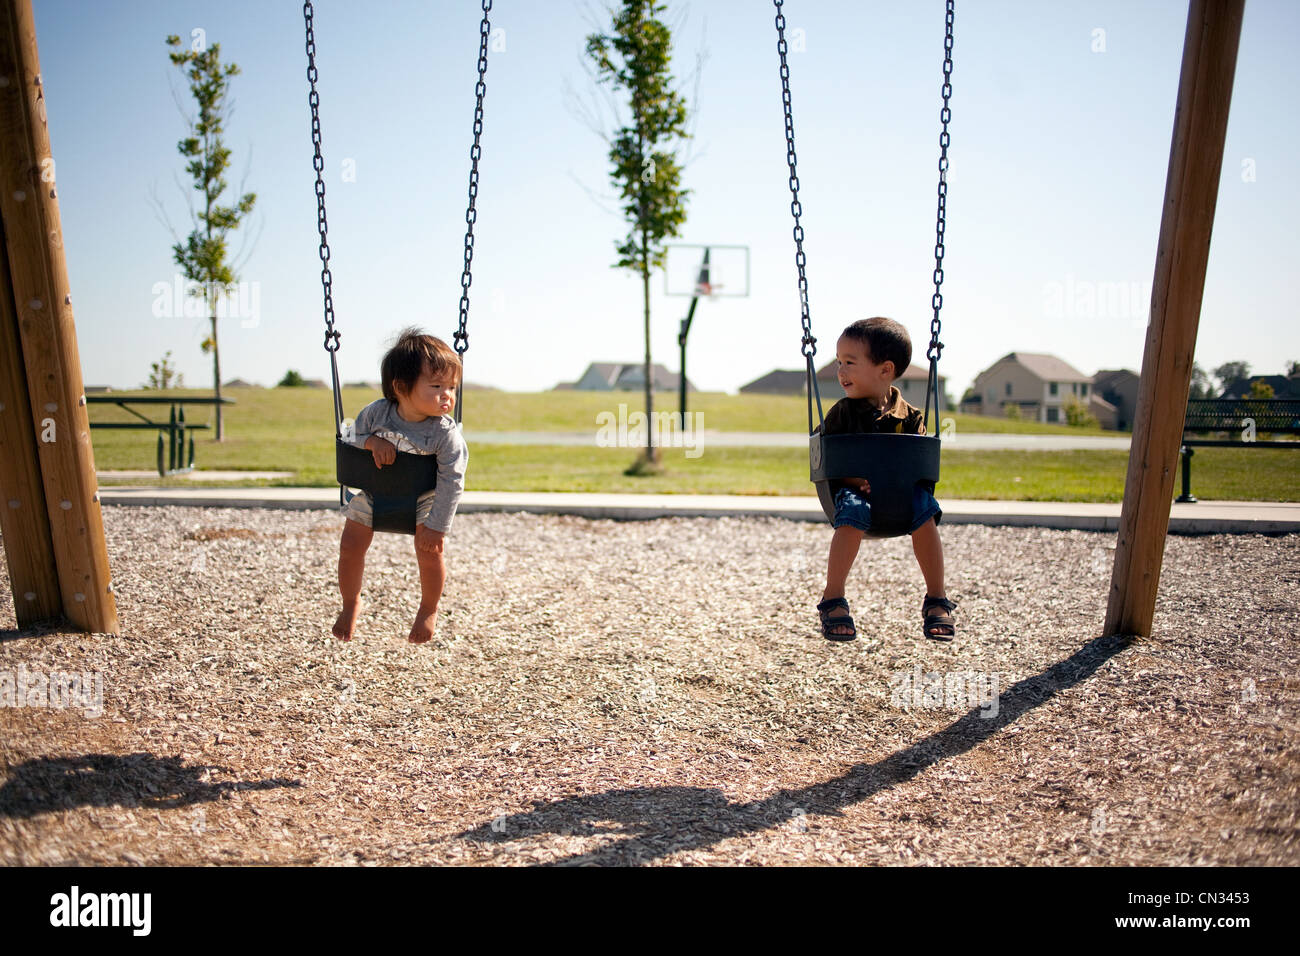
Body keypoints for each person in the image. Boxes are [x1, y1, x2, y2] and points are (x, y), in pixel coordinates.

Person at [815, 316, 957, 642]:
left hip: (901, 496)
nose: (841, 371)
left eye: (850, 362)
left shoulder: (912, 417)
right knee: (851, 513)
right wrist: (853, 480)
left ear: (885, 370)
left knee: (926, 510)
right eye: (839, 362)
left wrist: (899, 482)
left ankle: (937, 598)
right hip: (857, 495)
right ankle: (833, 597)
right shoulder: (842, 413)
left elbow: (919, 465)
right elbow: (832, 462)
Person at [332, 328, 469, 645]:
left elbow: (452, 481)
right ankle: (351, 603)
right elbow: (348, 437)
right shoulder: (377, 413)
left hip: (423, 497)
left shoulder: (445, 434)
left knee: (430, 550)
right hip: (375, 492)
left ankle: (428, 608)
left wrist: (438, 526)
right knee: (350, 545)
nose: (447, 394)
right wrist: (370, 441)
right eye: (436, 386)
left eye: (452, 387)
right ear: (401, 387)